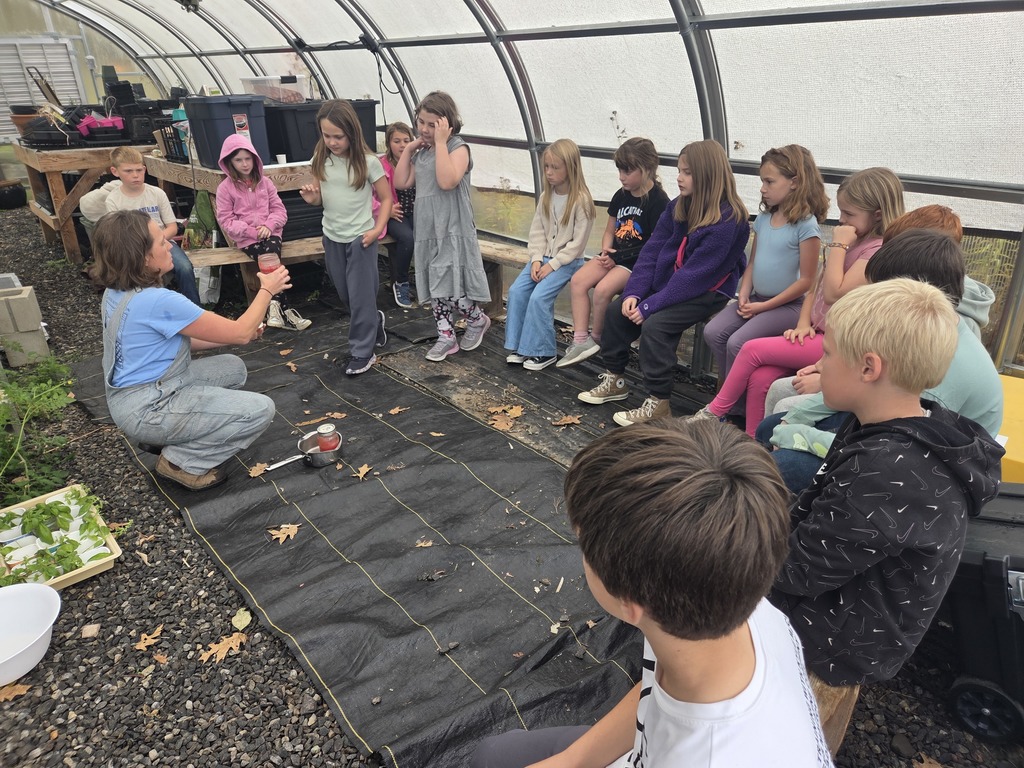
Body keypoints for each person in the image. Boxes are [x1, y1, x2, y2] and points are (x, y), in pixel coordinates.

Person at [470, 419, 833, 768]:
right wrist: (572, 760)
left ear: (630, 605)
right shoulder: (728, 603)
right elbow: (654, 696)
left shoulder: (709, 756)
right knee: (494, 755)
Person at [769, 278, 1004, 688]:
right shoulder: (896, 422)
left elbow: (793, 571)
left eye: (827, 354)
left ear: (868, 367)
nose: (818, 365)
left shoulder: (888, 472)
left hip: (843, 643)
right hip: (842, 599)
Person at [762, 227, 1004, 494]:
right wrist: (793, 421)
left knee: (785, 465)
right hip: (893, 430)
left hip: (924, 470)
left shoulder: (940, 370)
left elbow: (885, 447)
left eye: (879, 290)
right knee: (771, 428)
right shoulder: (913, 331)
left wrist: (798, 435)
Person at [689, 167, 905, 435]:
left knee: (750, 349)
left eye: (849, 214)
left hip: (838, 344)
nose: (842, 221)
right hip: (814, 333)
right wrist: (804, 322)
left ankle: (715, 411)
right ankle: (755, 443)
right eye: (841, 212)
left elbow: (835, 293)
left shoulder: (877, 250)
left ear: (878, 214)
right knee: (760, 377)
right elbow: (816, 286)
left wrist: (838, 246)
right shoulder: (852, 239)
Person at [90, 210, 287, 491]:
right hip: (150, 406)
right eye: (161, 242)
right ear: (143, 257)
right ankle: (181, 462)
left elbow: (181, 340)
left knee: (233, 367)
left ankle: (167, 435)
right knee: (259, 410)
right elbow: (240, 332)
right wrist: (266, 290)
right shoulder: (158, 301)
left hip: (133, 396)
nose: (171, 245)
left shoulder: (117, 292)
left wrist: (238, 334)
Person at [577, 139, 749, 426]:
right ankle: (616, 381)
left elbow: (695, 276)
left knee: (656, 324)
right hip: (674, 283)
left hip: (709, 290)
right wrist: (635, 292)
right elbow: (652, 251)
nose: (679, 178)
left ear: (708, 175)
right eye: (680, 170)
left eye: (688, 172)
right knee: (616, 311)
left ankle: (659, 402)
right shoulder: (678, 206)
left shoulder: (729, 220)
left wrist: (650, 305)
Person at [702, 145, 827, 380]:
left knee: (737, 342)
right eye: (763, 181)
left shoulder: (806, 225)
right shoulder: (764, 218)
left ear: (794, 182)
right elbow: (752, 264)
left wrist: (762, 308)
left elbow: (807, 281)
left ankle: (730, 407)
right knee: (713, 331)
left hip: (787, 306)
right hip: (757, 300)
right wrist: (744, 295)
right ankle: (730, 397)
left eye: (769, 182)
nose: (762, 188)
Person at [393, 91, 491, 362]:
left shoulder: (457, 148)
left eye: (431, 124)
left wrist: (439, 144)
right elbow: (401, 182)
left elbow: (447, 181)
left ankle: (476, 319)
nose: (423, 129)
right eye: (421, 122)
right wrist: (410, 149)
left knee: (452, 286)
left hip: (452, 227)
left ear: (447, 124)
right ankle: (446, 335)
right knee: (436, 284)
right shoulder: (422, 152)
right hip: (428, 229)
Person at [558, 137, 669, 368]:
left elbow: (653, 246)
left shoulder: (659, 202)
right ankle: (581, 339)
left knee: (602, 290)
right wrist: (606, 249)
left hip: (636, 264)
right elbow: (610, 229)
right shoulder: (621, 195)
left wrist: (616, 258)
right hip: (613, 257)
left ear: (647, 169)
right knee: (578, 280)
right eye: (620, 170)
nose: (622, 176)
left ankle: (598, 340)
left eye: (628, 171)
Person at [300, 100, 391, 376]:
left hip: (361, 238)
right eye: (326, 135)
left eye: (338, 136)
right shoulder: (321, 159)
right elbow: (321, 196)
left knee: (361, 296)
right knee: (345, 292)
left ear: (351, 132)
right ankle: (373, 322)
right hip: (332, 236)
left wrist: (376, 230)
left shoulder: (368, 163)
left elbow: (386, 198)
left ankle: (362, 351)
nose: (332, 141)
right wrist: (312, 198)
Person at [504, 138, 595, 370]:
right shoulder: (546, 196)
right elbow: (537, 232)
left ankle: (544, 351)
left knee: (539, 297)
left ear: (571, 167)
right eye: (547, 167)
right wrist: (536, 260)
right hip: (542, 258)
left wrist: (551, 264)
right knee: (516, 291)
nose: (549, 172)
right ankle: (520, 347)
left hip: (567, 262)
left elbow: (577, 244)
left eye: (555, 167)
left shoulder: (581, 201)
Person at [215, 134, 311, 331]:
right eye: (238, 160)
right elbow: (226, 219)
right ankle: (286, 309)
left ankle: (274, 307)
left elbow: (279, 210)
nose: (244, 164)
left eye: (248, 158)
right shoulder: (225, 188)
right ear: (229, 162)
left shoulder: (265, 183)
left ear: (254, 158)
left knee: (270, 253)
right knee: (269, 257)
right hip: (246, 239)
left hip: (271, 233)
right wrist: (251, 231)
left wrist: (269, 225)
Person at [100, 146, 201, 306]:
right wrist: (145, 247)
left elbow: (172, 227)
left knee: (184, 267)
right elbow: (118, 236)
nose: (135, 175)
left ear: (145, 169)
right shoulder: (113, 200)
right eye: (128, 171)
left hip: (165, 241)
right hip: (133, 248)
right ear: (115, 171)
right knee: (135, 275)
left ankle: (195, 309)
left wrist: (157, 242)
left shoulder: (157, 193)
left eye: (139, 170)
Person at [379, 122, 417, 308]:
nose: (402, 145)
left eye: (406, 140)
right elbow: (369, 194)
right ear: (388, 143)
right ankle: (400, 282)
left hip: (415, 212)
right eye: (396, 141)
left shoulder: (417, 162)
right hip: (394, 215)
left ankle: (430, 283)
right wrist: (386, 209)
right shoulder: (381, 165)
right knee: (407, 238)